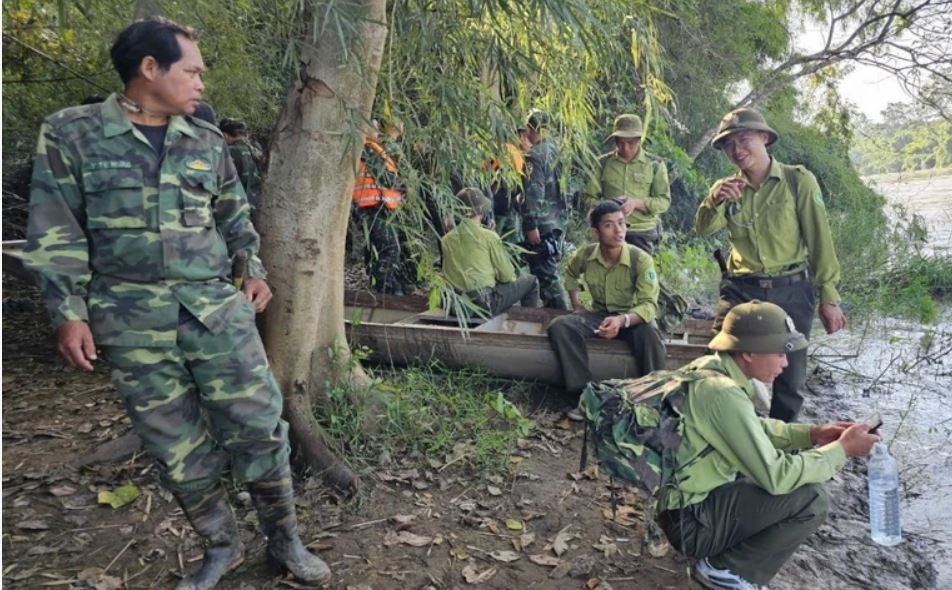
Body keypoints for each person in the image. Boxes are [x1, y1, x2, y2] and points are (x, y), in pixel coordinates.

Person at [22, 17, 330, 589]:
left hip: (216, 314)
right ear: (149, 68)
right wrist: (67, 312)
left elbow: (234, 216)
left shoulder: (205, 140)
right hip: (131, 322)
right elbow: (54, 229)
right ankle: (221, 546)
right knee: (174, 445)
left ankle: (285, 541)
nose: (201, 83)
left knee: (260, 427)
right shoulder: (72, 134)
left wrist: (253, 270)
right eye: (192, 71)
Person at [655, 300, 879, 589]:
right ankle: (723, 569)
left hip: (682, 509)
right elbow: (776, 476)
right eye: (780, 353)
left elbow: (752, 428)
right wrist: (842, 450)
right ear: (748, 353)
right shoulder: (722, 394)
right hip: (690, 525)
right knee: (812, 499)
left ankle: (723, 556)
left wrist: (812, 434)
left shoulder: (713, 369)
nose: (785, 363)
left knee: (770, 467)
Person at [695, 107, 847, 422]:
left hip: (792, 290)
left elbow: (820, 240)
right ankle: (727, 435)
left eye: (744, 140)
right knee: (720, 364)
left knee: (790, 379)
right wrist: (715, 200)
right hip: (741, 290)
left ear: (764, 137)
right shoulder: (726, 189)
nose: (737, 150)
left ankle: (780, 444)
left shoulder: (797, 180)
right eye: (729, 144)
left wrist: (829, 298)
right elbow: (703, 228)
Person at [548, 200, 666, 400]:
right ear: (596, 232)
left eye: (621, 223)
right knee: (560, 326)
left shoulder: (640, 259)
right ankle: (583, 394)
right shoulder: (586, 255)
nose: (618, 231)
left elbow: (648, 305)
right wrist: (576, 304)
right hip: (600, 316)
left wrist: (622, 320)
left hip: (632, 319)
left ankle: (655, 396)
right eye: (609, 225)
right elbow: (571, 273)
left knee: (651, 334)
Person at [441, 188, 539, 315]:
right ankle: (527, 321)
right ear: (481, 211)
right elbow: (508, 276)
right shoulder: (489, 236)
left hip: (457, 306)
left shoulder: (446, 239)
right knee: (532, 281)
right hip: (484, 303)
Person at [583, 113, 671, 254]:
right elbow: (588, 198)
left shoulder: (655, 165)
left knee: (640, 267)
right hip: (609, 233)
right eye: (620, 143)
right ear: (615, 141)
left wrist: (636, 203)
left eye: (630, 143)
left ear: (639, 140)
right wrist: (608, 207)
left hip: (641, 232)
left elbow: (663, 202)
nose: (625, 148)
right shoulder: (602, 163)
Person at [352, 121, 407, 295]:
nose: (378, 131)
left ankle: (384, 285)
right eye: (374, 127)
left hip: (378, 206)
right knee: (390, 248)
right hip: (373, 207)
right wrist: (403, 185)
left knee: (382, 248)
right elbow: (386, 178)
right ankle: (384, 288)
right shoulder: (367, 148)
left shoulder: (371, 148)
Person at [521, 109, 568, 309]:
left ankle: (562, 316)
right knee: (548, 273)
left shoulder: (534, 155)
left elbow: (534, 194)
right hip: (558, 221)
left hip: (542, 226)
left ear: (530, 129)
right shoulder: (557, 152)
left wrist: (531, 225)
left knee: (548, 279)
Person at [219, 117, 262, 213]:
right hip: (255, 204)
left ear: (225, 135)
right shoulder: (256, 150)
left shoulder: (229, 152)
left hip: (236, 207)